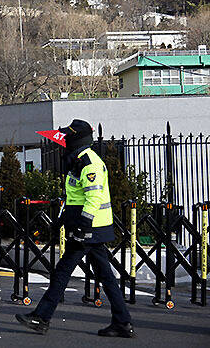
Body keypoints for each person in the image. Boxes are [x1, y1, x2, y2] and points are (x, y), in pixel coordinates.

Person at [16, 119, 134, 338]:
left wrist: (83, 226)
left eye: (68, 137)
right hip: (90, 228)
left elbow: (94, 197)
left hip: (89, 229)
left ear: (77, 139)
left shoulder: (89, 162)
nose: (65, 140)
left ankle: (41, 317)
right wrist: (64, 218)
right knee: (106, 276)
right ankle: (122, 322)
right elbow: (75, 196)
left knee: (62, 272)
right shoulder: (79, 160)